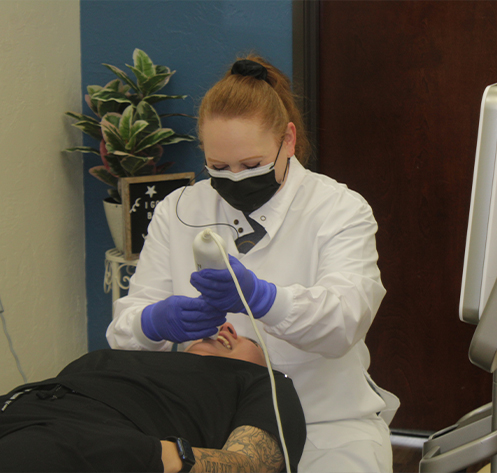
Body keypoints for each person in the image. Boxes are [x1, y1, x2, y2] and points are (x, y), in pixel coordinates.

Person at [107, 54, 400, 472]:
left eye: (251, 165)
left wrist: (265, 300)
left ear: (288, 140)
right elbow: (125, 333)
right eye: (219, 167)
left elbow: (345, 322)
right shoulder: (179, 210)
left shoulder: (338, 209)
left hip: (324, 424)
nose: (236, 178)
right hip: (209, 420)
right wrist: (153, 322)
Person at [0, 323, 305, 473]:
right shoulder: (111, 359)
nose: (226, 326)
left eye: (249, 340)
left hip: (89, 445)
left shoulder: (265, 383)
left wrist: (154, 456)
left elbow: (247, 464)